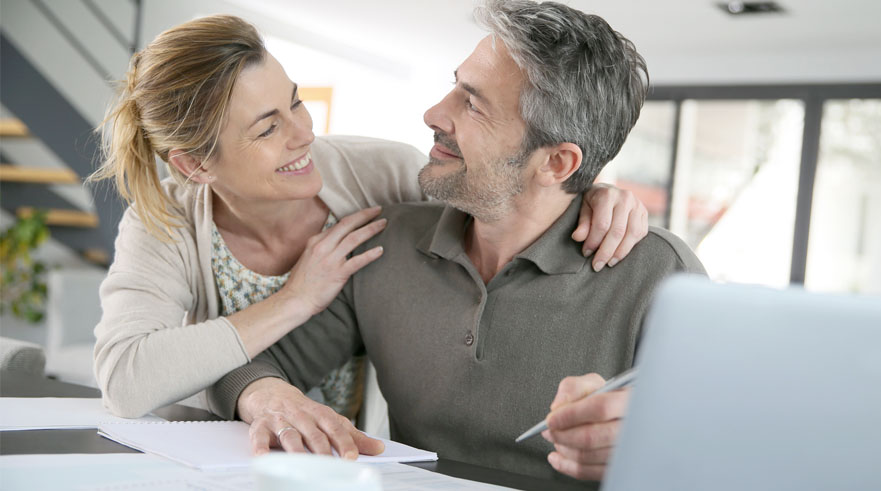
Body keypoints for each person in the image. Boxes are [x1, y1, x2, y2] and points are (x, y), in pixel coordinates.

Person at [209, 0, 706, 482]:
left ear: (556, 164)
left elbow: (719, 447)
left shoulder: (659, 275)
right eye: (455, 87)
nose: (432, 113)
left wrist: (651, 451)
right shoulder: (385, 241)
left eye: (472, 104)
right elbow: (251, 366)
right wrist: (267, 395)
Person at [90, 14, 652, 420]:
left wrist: (588, 190)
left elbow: (502, 188)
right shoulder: (163, 219)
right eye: (266, 129)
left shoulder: (380, 176)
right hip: (223, 448)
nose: (303, 133)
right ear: (194, 165)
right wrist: (295, 300)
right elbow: (127, 380)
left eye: (296, 102)